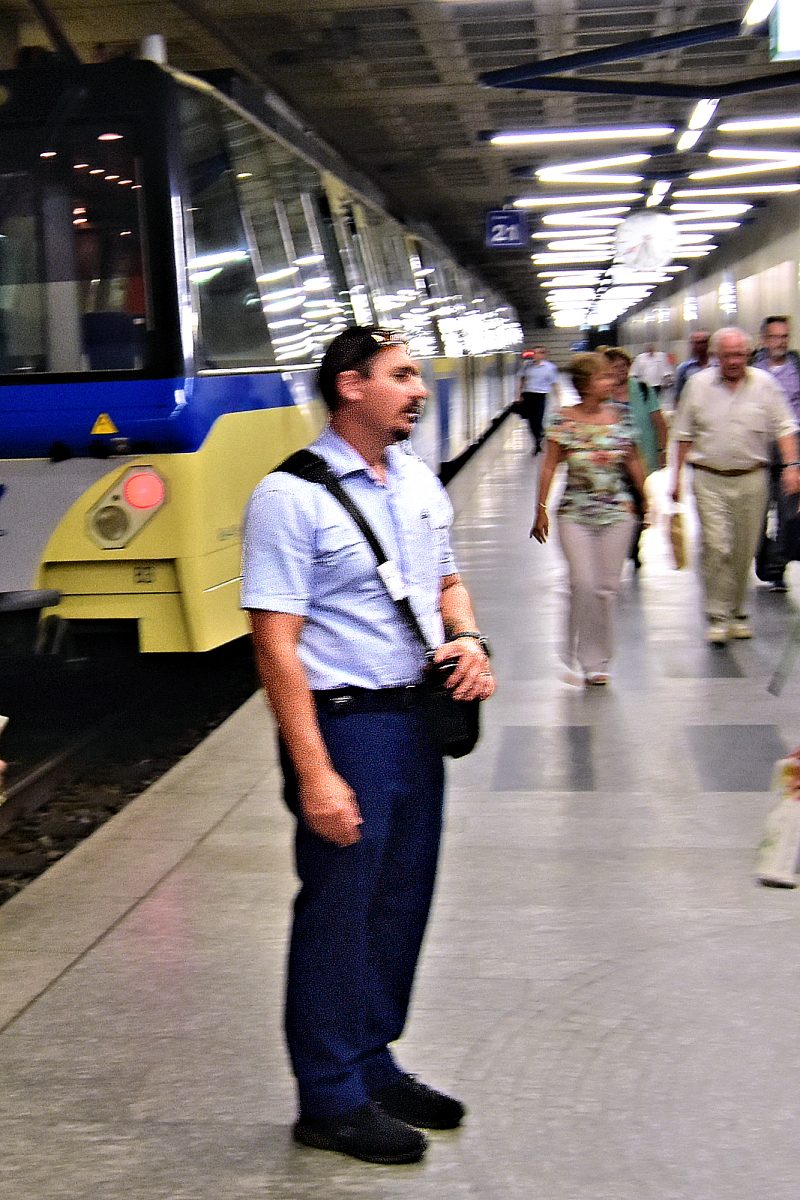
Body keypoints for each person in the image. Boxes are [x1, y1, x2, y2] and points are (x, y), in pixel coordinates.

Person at [241, 325, 495, 1166]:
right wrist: (315, 774)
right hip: (346, 727)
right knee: (340, 911)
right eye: (404, 376)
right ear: (351, 386)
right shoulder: (290, 497)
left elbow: (447, 579)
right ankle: (328, 1096)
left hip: (415, 721)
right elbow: (276, 644)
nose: (421, 390)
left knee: (399, 904)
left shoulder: (418, 479)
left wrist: (470, 639)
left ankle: (373, 1060)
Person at [670, 326, 800, 645]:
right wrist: (674, 478)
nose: (734, 361)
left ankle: (738, 611)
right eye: (727, 355)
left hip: (752, 477)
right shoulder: (697, 386)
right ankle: (717, 615)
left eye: (739, 354)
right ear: (716, 356)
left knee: (744, 549)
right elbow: (684, 434)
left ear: (748, 354)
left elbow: (784, 426)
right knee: (716, 546)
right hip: (709, 477)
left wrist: (793, 466)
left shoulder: (765, 385)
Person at [530, 351, 647, 685]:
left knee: (606, 589)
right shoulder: (563, 418)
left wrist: (648, 502)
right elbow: (550, 464)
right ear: (585, 384)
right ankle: (573, 651)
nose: (610, 382)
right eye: (603, 377)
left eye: (611, 377)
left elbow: (633, 460)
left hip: (617, 513)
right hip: (574, 513)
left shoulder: (621, 417)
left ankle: (598, 661)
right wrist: (539, 508)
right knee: (582, 583)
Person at [605, 347, 668, 569]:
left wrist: (663, 450)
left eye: (623, 366)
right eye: (615, 368)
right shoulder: (601, 392)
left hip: (640, 456)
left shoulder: (642, 389)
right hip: (610, 460)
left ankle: (634, 545)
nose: (620, 371)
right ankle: (619, 544)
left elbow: (659, 421)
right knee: (618, 504)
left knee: (640, 502)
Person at [751, 316, 800, 593]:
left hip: (790, 449)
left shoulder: (797, 368)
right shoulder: (752, 371)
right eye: (774, 337)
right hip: (758, 449)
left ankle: (777, 569)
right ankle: (764, 556)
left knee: (787, 513)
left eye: (784, 337)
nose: (780, 342)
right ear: (764, 340)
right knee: (756, 513)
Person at [516, 345, 561, 454]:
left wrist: (558, 399)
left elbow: (555, 384)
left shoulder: (550, 368)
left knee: (538, 419)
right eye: (533, 353)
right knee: (530, 421)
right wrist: (519, 394)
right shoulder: (526, 366)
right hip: (528, 395)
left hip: (540, 396)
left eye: (537, 353)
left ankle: (539, 436)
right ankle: (537, 441)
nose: (534, 355)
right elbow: (522, 379)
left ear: (543, 355)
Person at [673, 330, 711, 406]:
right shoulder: (684, 369)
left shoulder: (718, 366)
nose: (699, 346)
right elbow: (679, 395)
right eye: (695, 343)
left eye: (703, 342)